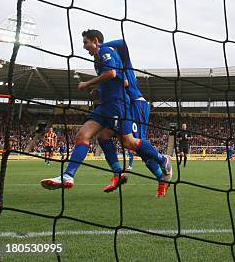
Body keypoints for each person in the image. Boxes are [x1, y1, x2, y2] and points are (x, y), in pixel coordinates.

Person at [40, 30, 171, 196]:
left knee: (132, 143)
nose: (84, 47)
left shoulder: (110, 53)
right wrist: (98, 89)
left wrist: (99, 51)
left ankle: (161, 166)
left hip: (131, 103)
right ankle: (74, 175)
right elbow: (115, 79)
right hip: (109, 104)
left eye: (86, 42)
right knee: (95, 136)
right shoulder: (100, 59)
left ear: (95, 41)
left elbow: (116, 69)